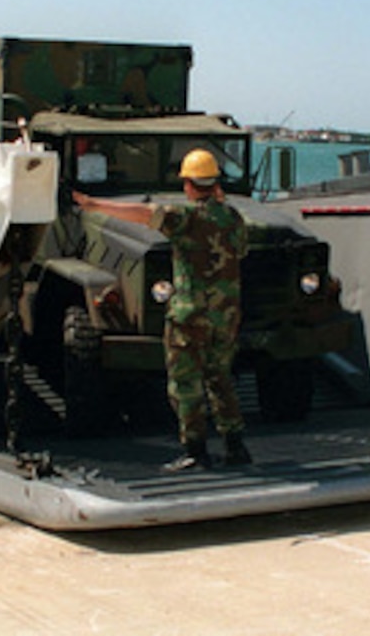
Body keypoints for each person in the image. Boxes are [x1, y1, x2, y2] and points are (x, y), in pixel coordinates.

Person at [72, 148, 252, 471]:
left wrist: (94, 204)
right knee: (220, 379)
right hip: (225, 316)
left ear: (188, 184)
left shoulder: (185, 219)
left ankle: (196, 450)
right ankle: (235, 446)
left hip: (190, 316)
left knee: (185, 383)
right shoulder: (234, 218)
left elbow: (143, 214)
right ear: (215, 183)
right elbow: (240, 248)